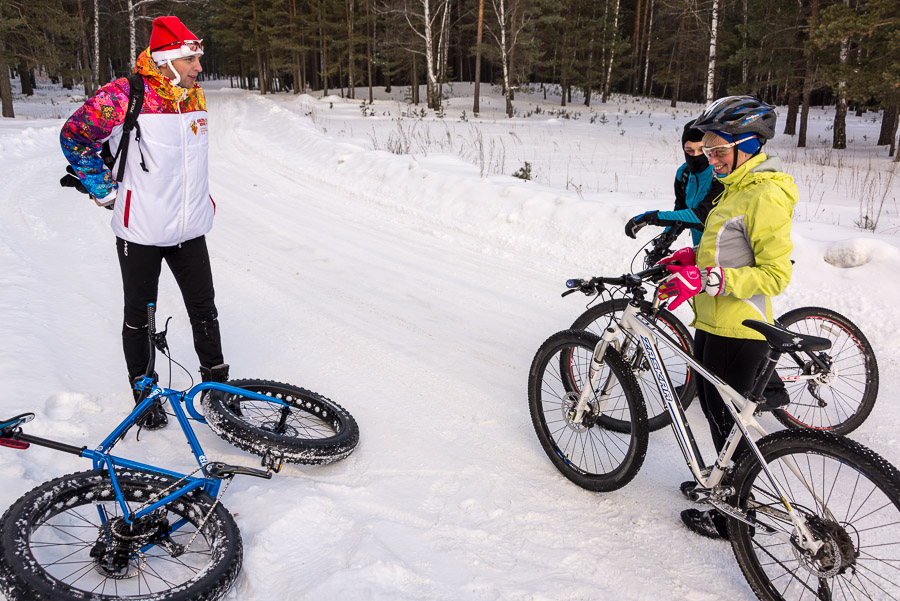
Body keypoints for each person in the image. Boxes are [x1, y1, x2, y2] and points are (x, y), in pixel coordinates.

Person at [60, 16, 229, 430]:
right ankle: (144, 396)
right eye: (191, 59)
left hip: (190, 227)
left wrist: (200, 201)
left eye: (198, 58)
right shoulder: (125, 93)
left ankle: (220, 393)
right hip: (142, 229)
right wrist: (105, 190)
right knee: (141, 315)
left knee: (204, 309)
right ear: (169, 58)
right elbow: (75, 136)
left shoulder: (193, 97)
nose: (198, 68)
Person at [655, 95, 798, 540]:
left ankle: (734, 515)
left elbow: (775, 275)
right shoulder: (734, 188)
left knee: (731, 423)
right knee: (717, 416)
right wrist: (689, 257)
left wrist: (709, 281)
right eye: (707, 150)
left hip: (743, 327)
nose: (711, 159)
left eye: (719, 150)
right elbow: (726, 250)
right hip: (712, 322)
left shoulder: (764, 195)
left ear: (750, 145)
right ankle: (722, 486)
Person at [624, 120, 723, 245]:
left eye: (702, 150)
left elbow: (702, 216)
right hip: (700, 249)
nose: (695, 155)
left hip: (725, 250)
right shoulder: (684, 174)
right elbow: (680, 211)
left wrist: (651, 217)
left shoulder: (721, 173)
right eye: (689, 151)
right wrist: (665, 239)